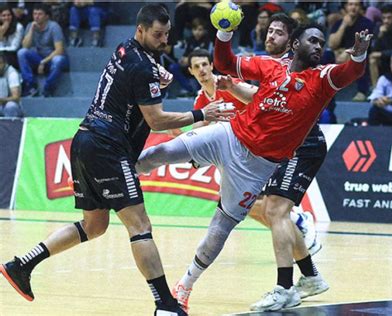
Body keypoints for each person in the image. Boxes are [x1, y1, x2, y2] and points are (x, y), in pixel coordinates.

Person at [0, 4, 231, 315]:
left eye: (166, 34)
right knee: (140, 225)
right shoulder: (142, 66)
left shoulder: (125, 49)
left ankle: (21, 265)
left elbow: (137, 79)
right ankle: (165, 305)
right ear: (141, 29)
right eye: (157, 34)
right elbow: (156, 120)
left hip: (85, 140)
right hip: (106, 146)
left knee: (94, 225)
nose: (163, 40)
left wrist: (157, 69)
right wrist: (202, 113)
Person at [135, 16, 371, 311]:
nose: (319, 47)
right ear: (296, 44)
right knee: (165, 152)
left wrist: (359, 53)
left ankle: (185, 286)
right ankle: (122, 174)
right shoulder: (270, 66)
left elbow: (351, 71)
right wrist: (224, 31)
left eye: (322, 43)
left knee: (223, 227)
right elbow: (225, 61)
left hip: (257, 167)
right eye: (313, 40)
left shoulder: (322, 79)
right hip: (230, 136)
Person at [17, 3, 68, 97]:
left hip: (51, 59)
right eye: (34, 14)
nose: (36, 17)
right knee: (21, 53)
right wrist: (31, 30)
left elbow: (59, 50)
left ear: (47, 16)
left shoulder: (54, 27)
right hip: (38, 57)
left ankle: (48, 87)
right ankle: (31, 85)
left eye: (40, 14)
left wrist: (43, 62)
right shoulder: (30, 25)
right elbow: (25, 46)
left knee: (58, 59)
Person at [328, 0, 373, 101]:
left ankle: (362, 91)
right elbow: (332, 44)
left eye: (356, 5)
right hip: (340, 54)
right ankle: (322, 86)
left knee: (361, 57)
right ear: (346, 7)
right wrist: (343, 25)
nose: (353, 7)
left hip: (359, 52)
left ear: (360, 8)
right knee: (327, 55)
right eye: (351, 4)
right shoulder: (339, 23)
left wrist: (347, 52)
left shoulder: (366, 23)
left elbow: (363, 44)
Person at [0, 5, 24, 69]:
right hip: (2, 54)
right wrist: (2, 33)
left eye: (9, 15)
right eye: (3, 15)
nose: (7, 18)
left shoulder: (19, 27)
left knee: (6, 55)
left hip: (14, 55)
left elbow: (14, 47)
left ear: (12, 16)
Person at [0, 52, 22, 117]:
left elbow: (16, 97)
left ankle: (11, 126)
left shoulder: (12, 74)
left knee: (11, 106)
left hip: (8, 104)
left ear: (4, 63)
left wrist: (1, 100)